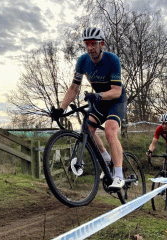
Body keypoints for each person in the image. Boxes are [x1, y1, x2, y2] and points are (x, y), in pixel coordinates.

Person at [50, 27, 127, 190]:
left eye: (93, 43)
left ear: (102, 44)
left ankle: (119, 176)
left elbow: (116, 91)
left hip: (115, 100)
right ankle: (106, 157)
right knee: (88, 128)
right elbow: (73, 88)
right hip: (98, 99)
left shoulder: (112, 60)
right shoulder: (83, 61)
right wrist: (61, 109)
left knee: (109, 130)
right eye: (87, 44)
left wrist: (98, 96)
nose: (90, 47)